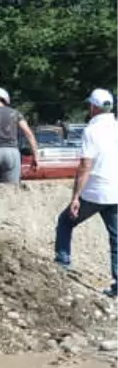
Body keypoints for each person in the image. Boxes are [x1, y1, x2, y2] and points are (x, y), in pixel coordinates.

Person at [55, 88, 118, 295]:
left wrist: (75, 197)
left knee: (65, 221)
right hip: (115, 193)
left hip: (94, 192)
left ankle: (62, 265)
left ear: (93, 107)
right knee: (116, 239)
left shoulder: (91, 131)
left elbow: (85, 166)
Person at [0, 87, 39, 184]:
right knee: (11, 190)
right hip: (12, 153)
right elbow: (29, 134)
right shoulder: (15, 113)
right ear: (6, 100)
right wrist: (35, 157)